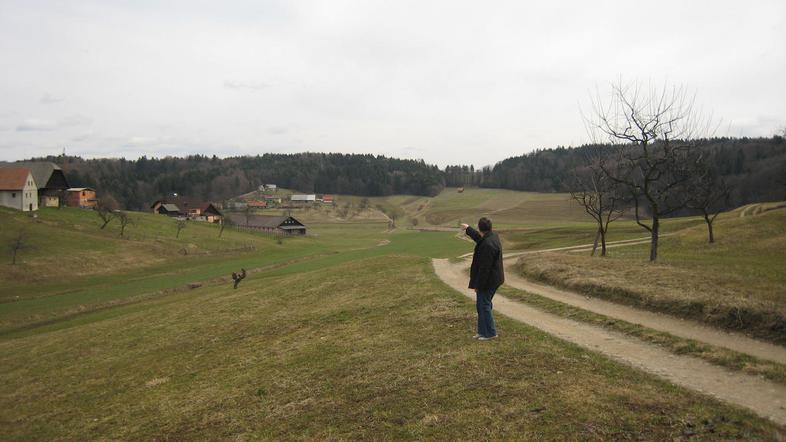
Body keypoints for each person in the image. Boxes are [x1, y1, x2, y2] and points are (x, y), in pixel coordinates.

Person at [460, 217, 504, 341]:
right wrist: (468, 229)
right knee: (482, 305)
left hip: (489, 280)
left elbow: (485, 269)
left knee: (484, 305)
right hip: (494, 279)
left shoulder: (487, 245)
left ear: (480, 228)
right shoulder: (492, 236)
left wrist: (478, 285)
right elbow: (480, 239)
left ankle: (490, 333)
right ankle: (482, 331)